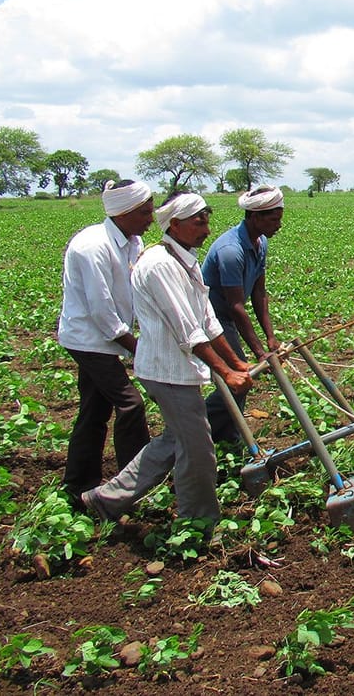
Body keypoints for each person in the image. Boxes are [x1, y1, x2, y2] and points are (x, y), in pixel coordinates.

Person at [82, 192, 253, 523]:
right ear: (174, 225)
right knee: (198, 450)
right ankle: (198, 520)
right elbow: (187, 330)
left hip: (177, 369)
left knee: (174, 440)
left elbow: (208, 322)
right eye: (198, 222)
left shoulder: (184, 260)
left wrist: (236, 363)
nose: (206, 230)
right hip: (166, 372)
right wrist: (226, 373)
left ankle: (104, 500)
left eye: (207, 221)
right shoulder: (159, 264)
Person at [58, 179, 155, 510]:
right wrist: (139, 348)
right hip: (89, 339)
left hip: (107, 337)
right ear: (124, 212)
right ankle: (134, 484)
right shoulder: (92, 247)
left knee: (94, 411)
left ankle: (77, 484)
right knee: (131, 404)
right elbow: (101, 311)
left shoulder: (132, 240)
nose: (151, 218)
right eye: (145, 212)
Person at [202, 184, 284, 442]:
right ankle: (199, 431)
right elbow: (236, 307)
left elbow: (259, 293)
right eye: (273, 219)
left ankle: (225, 434)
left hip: (227, 315)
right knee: (237, 379)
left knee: (239, 383)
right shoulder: (231, 251)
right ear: (255, 217)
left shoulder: (260, 243)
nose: (278, 225)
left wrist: (270, 338)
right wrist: (260, 352)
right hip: (212, 318)